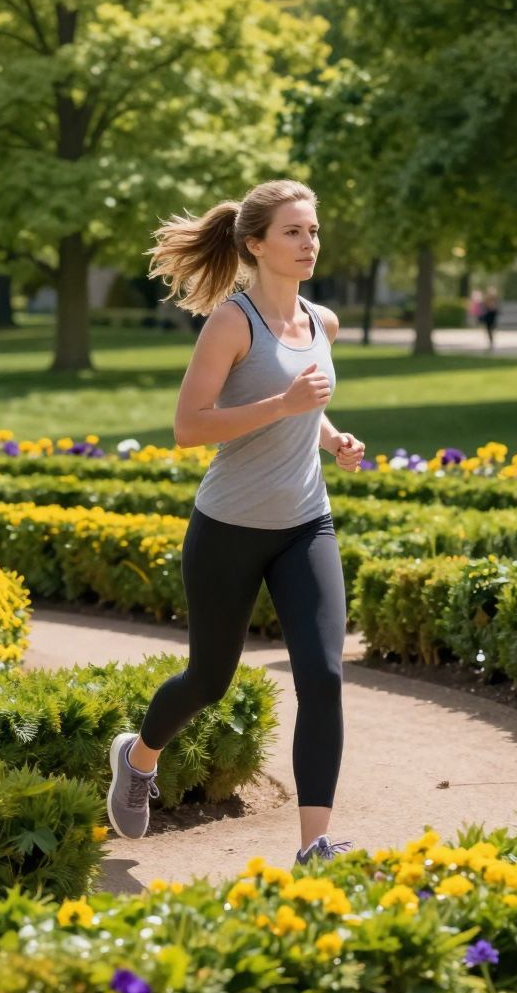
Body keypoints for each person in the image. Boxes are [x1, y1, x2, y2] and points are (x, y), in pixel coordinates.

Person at [107, 179, 365, 868]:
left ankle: (314, 845)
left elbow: (306, 406)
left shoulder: (323, 322)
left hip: (306, 523)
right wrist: (284, 405)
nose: (309, 243)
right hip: (229, 526)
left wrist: (332, 437)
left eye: (313, 230)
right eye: (293, 232)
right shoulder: (232, 323)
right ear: (255, 244)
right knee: (208, 680)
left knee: (324, 676)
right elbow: (189, 427)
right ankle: (138, 758)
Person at [480, 286, 501, 353]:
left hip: (492, 316)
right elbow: (485, 307)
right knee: (489, 330)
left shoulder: (495, 299)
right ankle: (490, 343)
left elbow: (496, 309)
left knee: (490, 330)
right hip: (488, 316)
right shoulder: (487, 299)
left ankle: (491, 343)